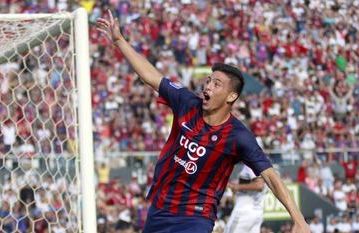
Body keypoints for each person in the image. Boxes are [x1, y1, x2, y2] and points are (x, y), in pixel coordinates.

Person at [96, 9, 310, 233]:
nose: (207, 86)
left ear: (231, 97)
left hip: (195, 217)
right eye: (209, 80)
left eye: (216, 84)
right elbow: (151, 76)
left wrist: (298, 219)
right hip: (160, 209)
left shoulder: (238, 136)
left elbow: (270, 175)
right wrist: (119, 41)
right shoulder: (186, 103)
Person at [224, 164, 266, 233]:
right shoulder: (262, 162)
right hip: (257, 211)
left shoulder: (250, 164)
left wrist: (237, 186)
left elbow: (259, 185)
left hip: (244, 213)